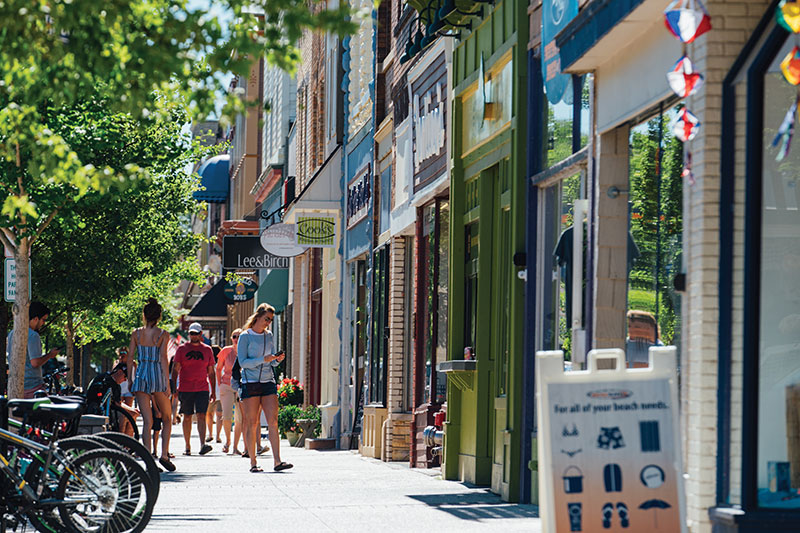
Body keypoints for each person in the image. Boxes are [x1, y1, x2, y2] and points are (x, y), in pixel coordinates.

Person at [237, 303, 291, 473]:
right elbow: (243, 362)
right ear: (258, 317)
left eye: (271, 320)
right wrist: (263, 359)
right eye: (267, 319)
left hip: (268, 381)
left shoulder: (269, 335)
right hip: (250, 383)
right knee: (252, 423)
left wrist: (277, 359)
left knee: (273, 422)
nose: (268, 322)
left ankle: (277, 461)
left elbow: (271, 360)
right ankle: (253, 462)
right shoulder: (245, 336)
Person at [128, 298, 175, 472]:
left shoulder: (136, 334)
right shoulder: (163, 334)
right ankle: (164, 454)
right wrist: (166, 383)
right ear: (159, 316)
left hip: (141, 373)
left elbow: (130, 357)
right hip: (156, 374)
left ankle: (148, 459)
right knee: (167, 417)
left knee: (147, 421)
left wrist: (131, 379)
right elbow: (164, 358)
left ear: (144, 315)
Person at [172, 322, 216, 456]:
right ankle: (187, 446)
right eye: (191, 333)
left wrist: (213, 390)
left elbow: (211, 372)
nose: (193, 336)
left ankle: (203, 444)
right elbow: (175, 369)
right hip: (186, 388)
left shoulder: (207, 349)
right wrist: (174, 388)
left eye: (196, 333)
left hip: (202, 387)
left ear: (201, 334)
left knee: (202, 415)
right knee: (187, 416)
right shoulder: (182, 349)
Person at [7, 301, 60, 399]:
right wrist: (50, 355)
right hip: (32, 386)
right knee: (44, 413)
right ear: (36, 319)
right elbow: (35, 362)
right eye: (43, 320)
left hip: (15, 384)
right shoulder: (33, 335)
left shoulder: (12, 333)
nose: (44, 323)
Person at [115, 347, 137, 434]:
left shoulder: (132, 363)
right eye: (121, 353)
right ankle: (122, 432)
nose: (123, 354)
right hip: (120, 388)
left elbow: (135, 375)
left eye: (125, 352)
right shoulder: (117, 363)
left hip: (128, 389)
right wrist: (120, 362)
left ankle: (128, 432)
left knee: (128, 412)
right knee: (121, 413)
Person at [205, 345, 223, 444]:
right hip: (220, 392)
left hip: (209, 391)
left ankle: (210, 434)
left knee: (209, 414)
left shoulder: (208, 365)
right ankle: (218, 436)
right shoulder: (221, 365)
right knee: (219, 414)